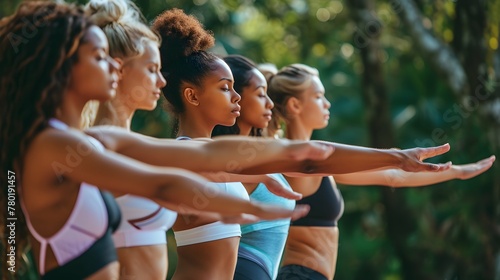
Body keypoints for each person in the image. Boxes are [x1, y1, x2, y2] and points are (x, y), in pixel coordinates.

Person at [0, 3, 329, 278]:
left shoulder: (99, 138)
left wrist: (290, 149)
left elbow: (202, 155)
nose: (113, 65)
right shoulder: (52, 146)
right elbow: (161, 185)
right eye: (99, 56)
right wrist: (247, 205)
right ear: (64, 65)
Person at [260, 63, 496, 280]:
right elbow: (382, 167)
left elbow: (394, 176)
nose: (327, 103)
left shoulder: (321, 165)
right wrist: (396, 156)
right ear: (295, 104)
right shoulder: (297, 158)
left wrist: (457, 171)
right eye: (319, 97)